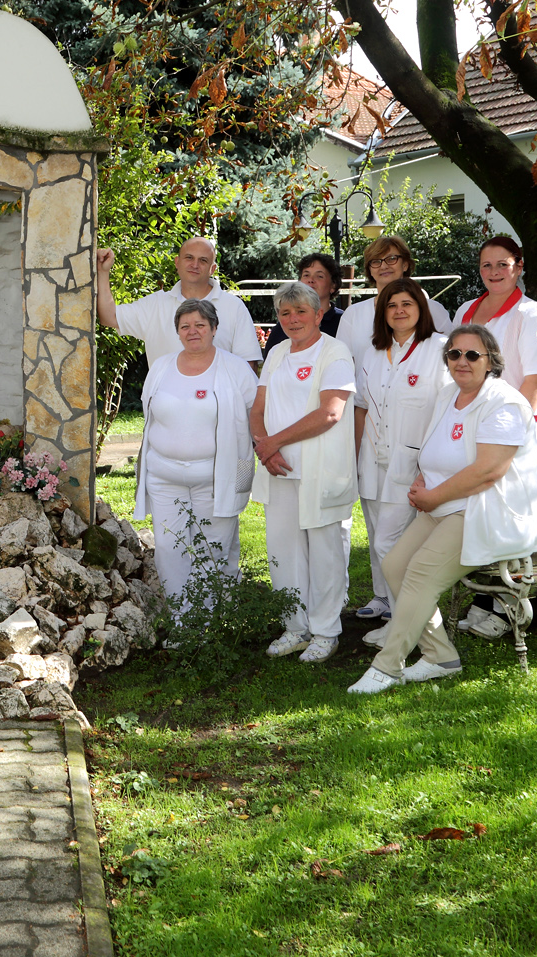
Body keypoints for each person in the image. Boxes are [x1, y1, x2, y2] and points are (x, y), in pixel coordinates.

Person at [348, 323, 537, 693]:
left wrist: (434, 497)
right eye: (454, 354)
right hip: (444, 505)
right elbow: (433, 450)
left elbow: (489, 471)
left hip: (485, 511)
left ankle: (387, 666)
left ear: (491, 362)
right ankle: (440, 655)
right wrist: (423, 478)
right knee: (394, 565)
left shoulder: (504, 403)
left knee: (421, 573)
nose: (462, 361)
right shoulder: (447, 396)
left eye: (473, 355)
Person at [453, 235, 537, 639]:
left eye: (503, 264)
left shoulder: (533, 316)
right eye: (487, 266)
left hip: (513, 433)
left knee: (512, 522)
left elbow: (536, 380)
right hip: (472, 430)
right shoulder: (467, 310)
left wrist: (507, 433)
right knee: (480, 519)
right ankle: (484, 599)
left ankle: (506, 607)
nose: (495, 272)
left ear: (519, 267)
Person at [251, 280, 358, 664]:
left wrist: (272, 442)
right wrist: (264, 446)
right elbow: (257, 408)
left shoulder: (335, 352)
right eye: (284, 313)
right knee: (283, 551)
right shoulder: (278, 351)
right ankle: (295, 627)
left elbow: (331, 412)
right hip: (279, 469)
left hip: (321, 471)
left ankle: (326, 631)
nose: (292, 319)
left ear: (318, 314)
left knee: (326, 552)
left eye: (300, 312)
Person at [133, 298, 257, 603]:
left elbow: (258, 414)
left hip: (217, 479)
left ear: (214, 328)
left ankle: (206, 620)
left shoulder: (237, 369)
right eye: (185, 326)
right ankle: (180, 617)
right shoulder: (161, 367)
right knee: (168, 547)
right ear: (177, 332)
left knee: (212, 547)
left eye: (200, 324)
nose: (192, 331)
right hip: (164, 477)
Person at [350, 278, 447, 622]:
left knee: (389, 544)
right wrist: (357, 455)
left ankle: (409, 619)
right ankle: (386, 601)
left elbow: (449, 410)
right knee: (377, 534)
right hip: (372, 458)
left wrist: (433, 465)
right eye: (391, 305)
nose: (399, 311)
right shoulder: (373, 352)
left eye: (407, 303)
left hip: (413, 462)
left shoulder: (439, 349)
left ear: (421, 309)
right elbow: (361, 406)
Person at [96, 238, 263, 371]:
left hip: (219, 411)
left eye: (203, 260)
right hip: (165, 409)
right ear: (177, 262)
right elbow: (108, 317)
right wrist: (103, 272)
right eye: (189, 257)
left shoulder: (234, 307)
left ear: (212, 269)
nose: (195, 265)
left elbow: (248, 367)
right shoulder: (155, 305)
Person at [336, 235, 454, 359]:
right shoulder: (353, 314)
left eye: (391, 259)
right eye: (376, 261)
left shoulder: (434, 310)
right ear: (370, 270)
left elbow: (451, 356)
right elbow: (342, 362)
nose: (384, 266)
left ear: (405, 265)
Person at [263, 253, 345, 353]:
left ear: (333, 285)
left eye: (319, 276)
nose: (311, 280)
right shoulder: (286, 326)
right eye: (306, 275)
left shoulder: (343, 321)